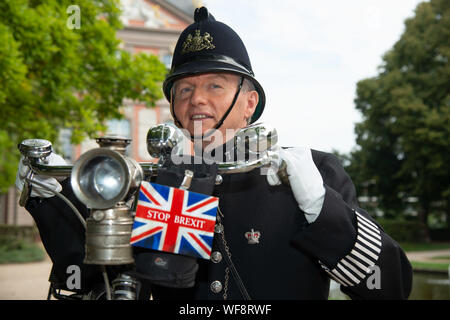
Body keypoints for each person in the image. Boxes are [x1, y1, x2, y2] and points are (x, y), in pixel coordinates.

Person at [16, 7, 412, 300]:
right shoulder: (159, 183)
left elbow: (389, 286)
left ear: (249, 102)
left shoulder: (314, 172)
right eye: (184, 90)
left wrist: (324, 209)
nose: (197, 100)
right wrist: (57, 201)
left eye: (215, 86)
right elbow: (92, 284)